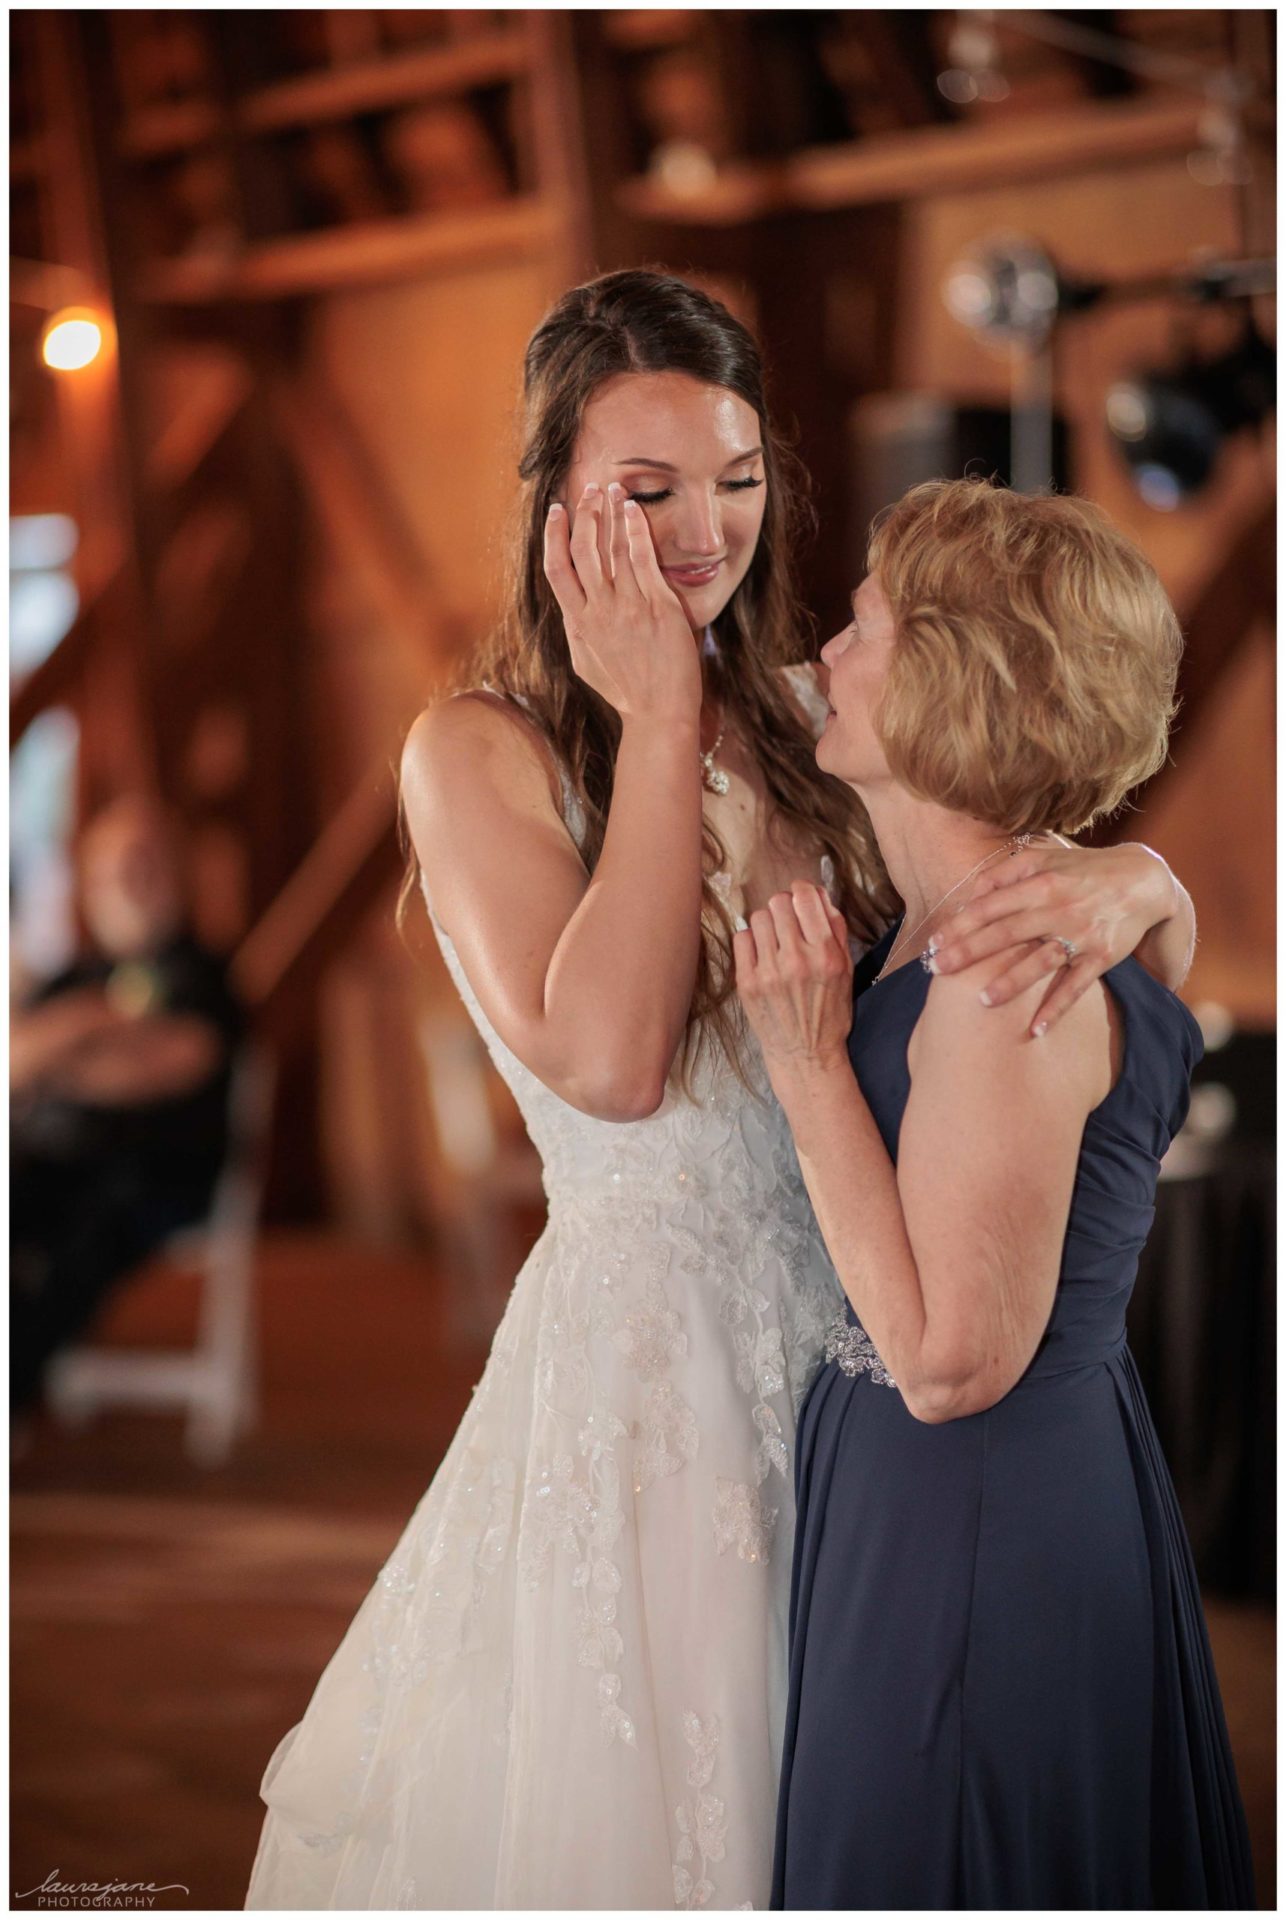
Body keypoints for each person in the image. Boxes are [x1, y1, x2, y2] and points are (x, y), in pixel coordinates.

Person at [245, 273, 1198, 1910]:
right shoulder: (479, 752)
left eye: (739, 480)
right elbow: (616, 1065)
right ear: (558, 505)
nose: (706, 530)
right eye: (648, 491)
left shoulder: (818, 725)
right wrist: (657, 706)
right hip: (657, 1396)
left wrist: (1141, 883)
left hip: (854, 1370)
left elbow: (965, 981)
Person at [734, 478, 1253, 1909]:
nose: (825, 655)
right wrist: (1148, 876)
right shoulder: (997, 922)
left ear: (950, 680)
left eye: (861, 625)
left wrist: (807, 1066)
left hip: (962, 1507)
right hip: (961, 1495)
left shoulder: (993, 974)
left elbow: (951, 1361)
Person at [11, 795, 244, 1417]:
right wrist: (100, 1022)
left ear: (175, 872)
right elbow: (14, 1060)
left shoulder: (204, 974)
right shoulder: (75, 978)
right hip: (53, 1159)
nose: (130, 885)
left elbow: (161, 1067)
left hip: (151, 1176)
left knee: (74, 1246)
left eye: (145, 865)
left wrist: (65, 1055)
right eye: (115, 870)